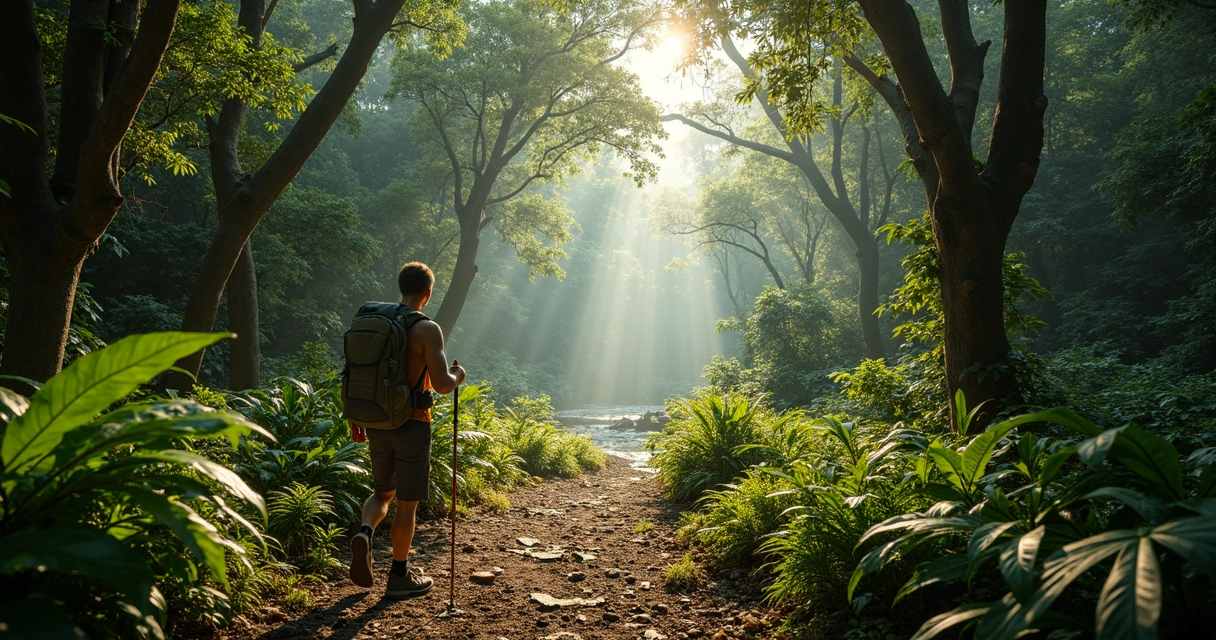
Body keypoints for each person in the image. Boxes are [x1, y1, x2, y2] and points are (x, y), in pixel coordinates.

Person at [348, 262, 466, 597]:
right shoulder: (427, 329)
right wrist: (460, 375)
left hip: (376, 421)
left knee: (383, 493)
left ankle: (366, 532)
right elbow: (442, 384)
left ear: (401, 287)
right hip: (412, 424)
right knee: (407, 503)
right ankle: (399, 576)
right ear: (428, 293)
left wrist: (356, 414)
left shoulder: (376, 321)